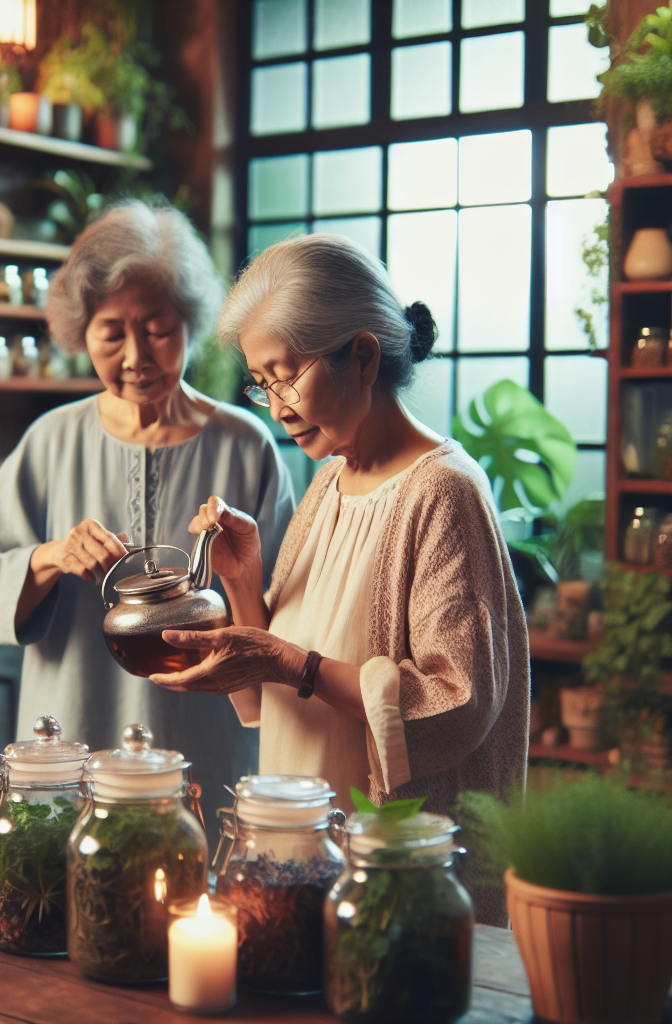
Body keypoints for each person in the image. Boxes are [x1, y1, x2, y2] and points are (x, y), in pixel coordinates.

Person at [151, 234, 529, 924]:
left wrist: (283, 659)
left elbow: (458, 697)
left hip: (391, 873)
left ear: (362, 355)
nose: (276, 404)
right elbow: (285, 686)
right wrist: (244, 583)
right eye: (261, 384)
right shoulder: (326, 485)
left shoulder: (443, 491)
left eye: (286, 375)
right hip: (296, 856)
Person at [0, 200, 295, 835]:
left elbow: (290, 613)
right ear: (83, 332)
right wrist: (47, 558)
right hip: (73, 729)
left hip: (206, 740)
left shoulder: (247, 444)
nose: (136, 355)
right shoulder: (51, 440)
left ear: (189, 322)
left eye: (158, 328)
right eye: (111, 332)